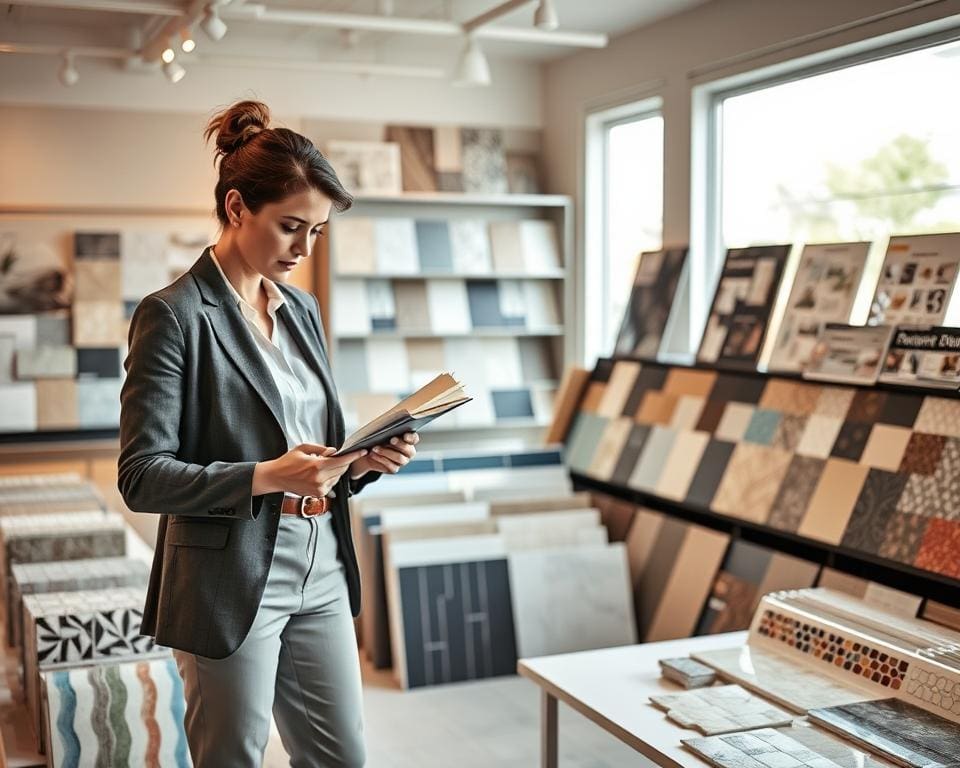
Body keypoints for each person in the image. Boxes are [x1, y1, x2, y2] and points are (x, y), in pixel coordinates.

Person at [118, 99, 417, 768]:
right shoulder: (173, 316)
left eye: (316, 232)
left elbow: (313, 447)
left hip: (323, 564)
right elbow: (141, 476)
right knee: (232, 757)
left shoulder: (303, 310)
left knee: (342, 758)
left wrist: (359, 463)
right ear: (236, 208)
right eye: (290, 227)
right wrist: (267, 475)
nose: (304, 249)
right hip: (229, 578)